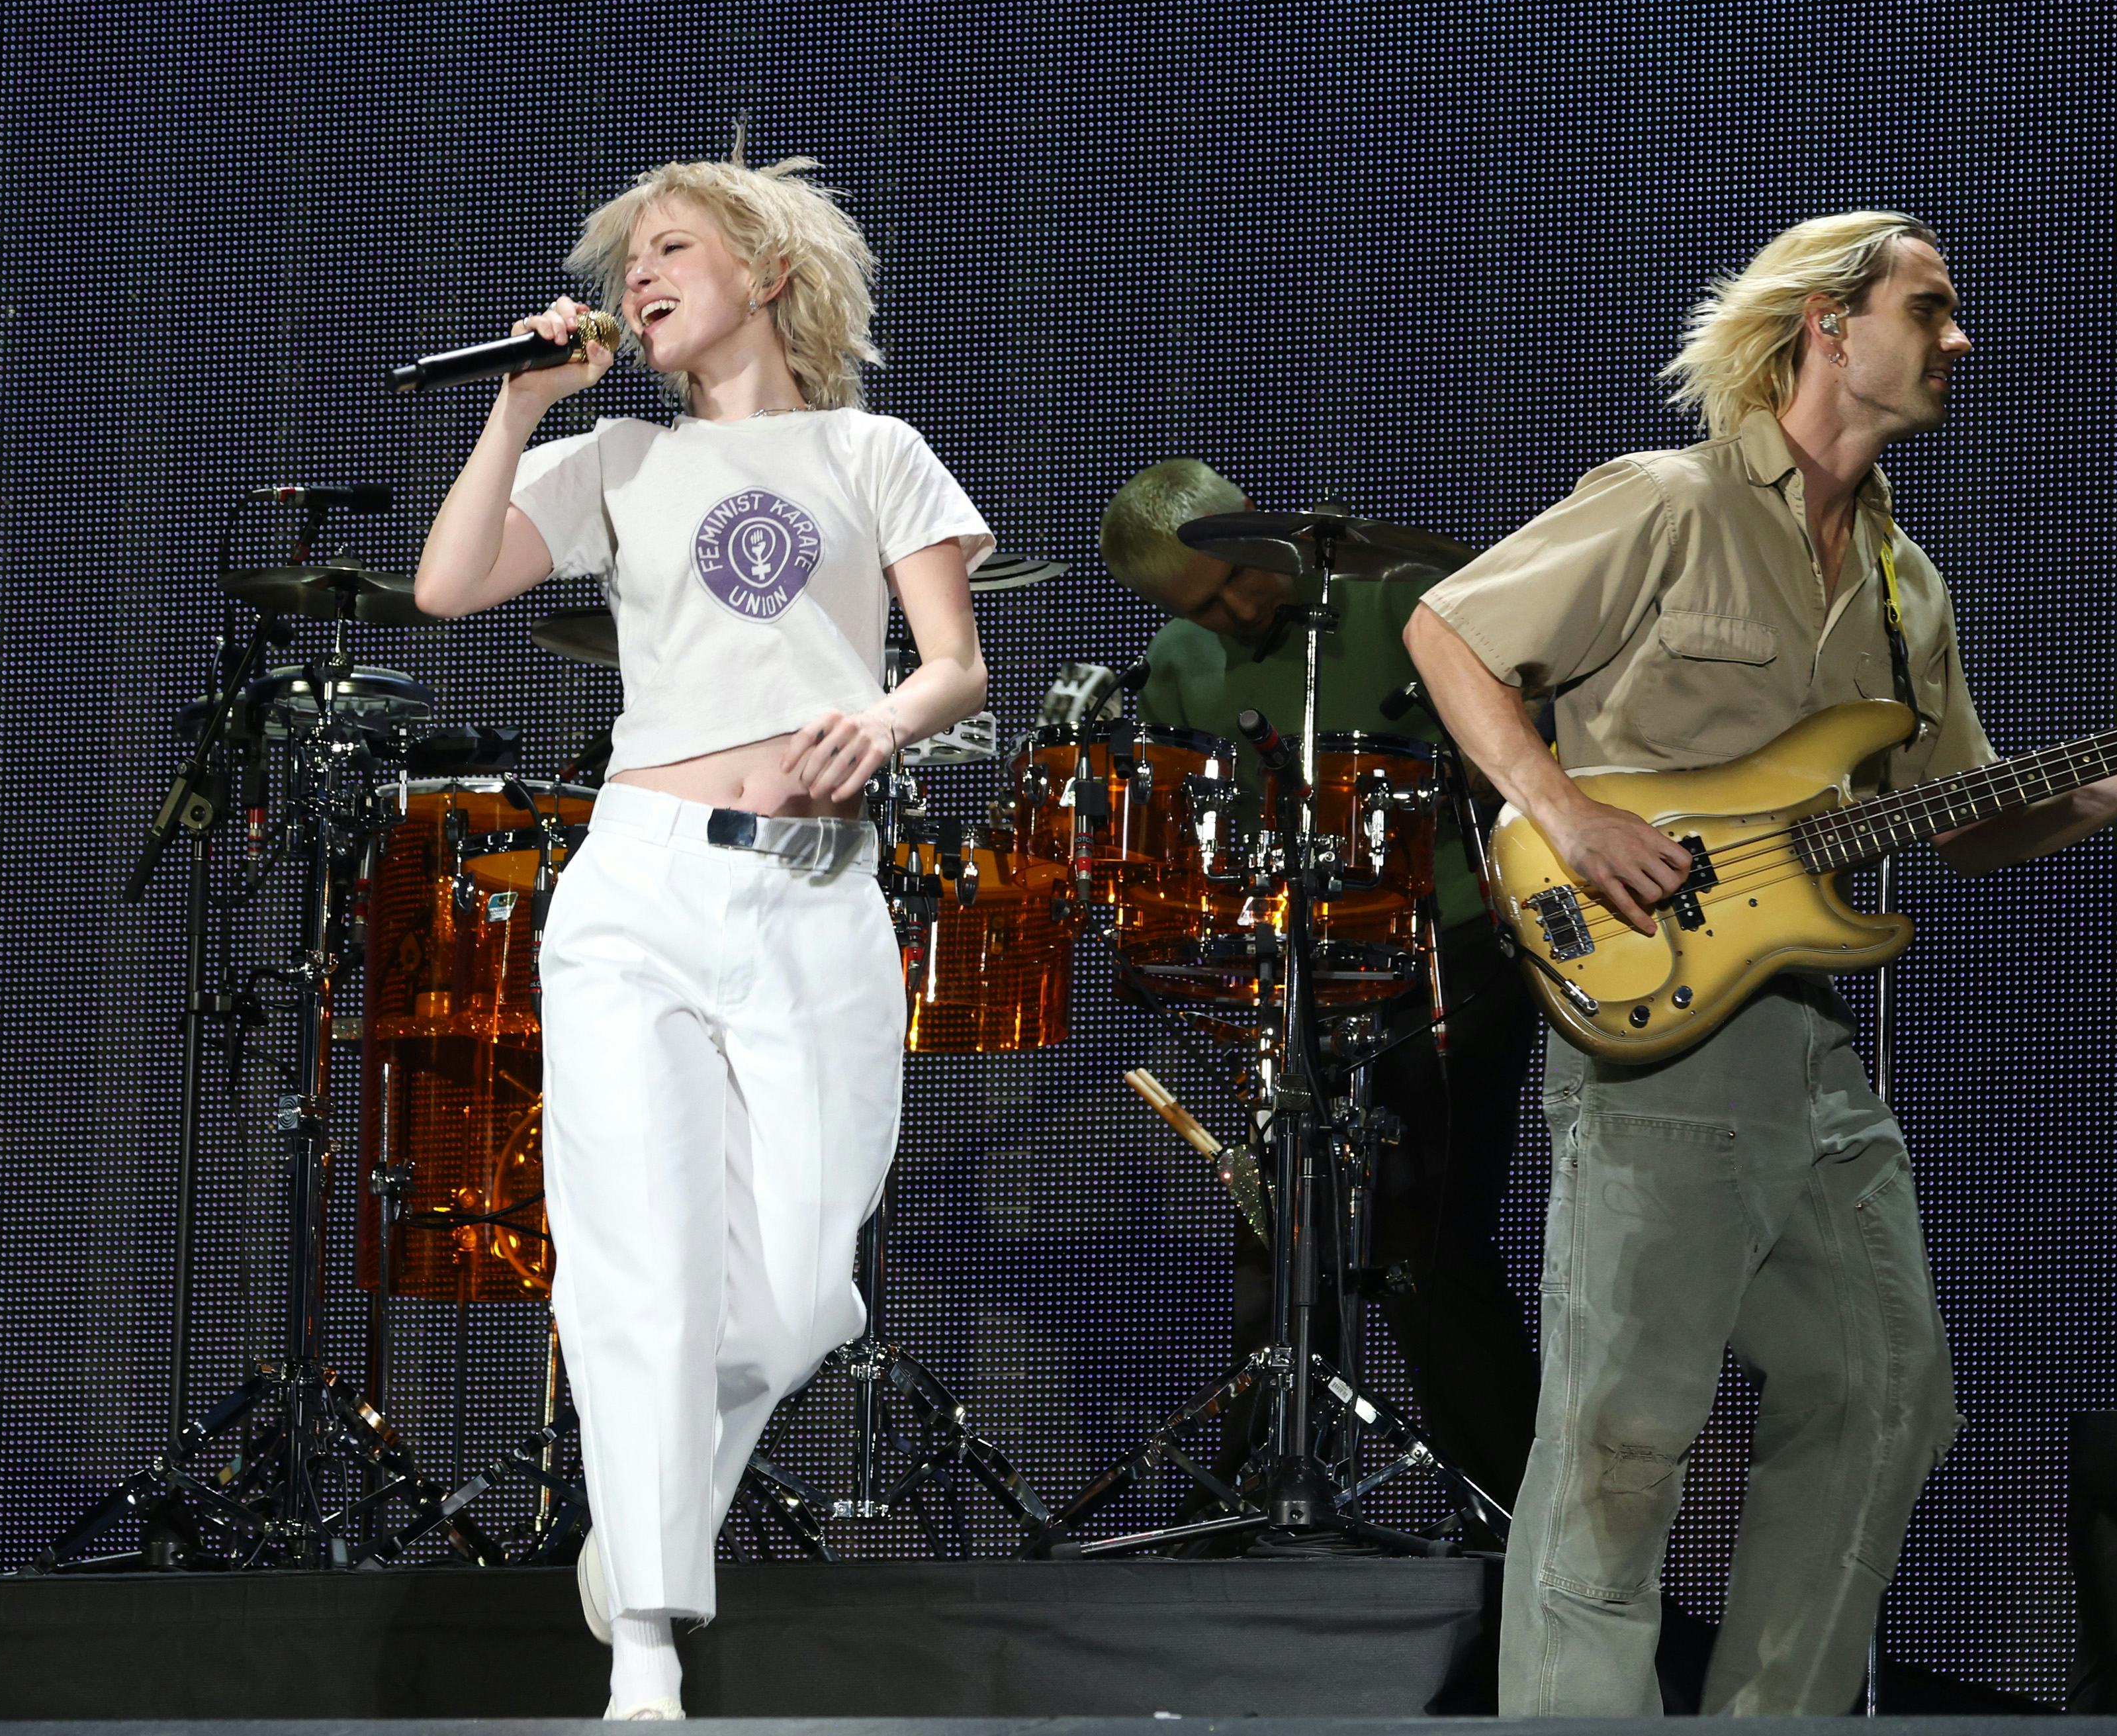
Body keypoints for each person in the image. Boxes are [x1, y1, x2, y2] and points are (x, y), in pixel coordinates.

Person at [1404, 212, 2117, 1715]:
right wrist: (1564, 814)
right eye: (1930, 308)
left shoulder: (1907, 586)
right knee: (1621, 1434)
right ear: (1826, 324)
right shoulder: (1667, 500)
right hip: (1654, 1033)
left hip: (1813, 1057)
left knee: (1889, 1395)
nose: (1958, 341)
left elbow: (1977, 820)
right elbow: (1447, 631)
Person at [414, 153, 992, 1720]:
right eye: (629, 259)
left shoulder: (876, 449)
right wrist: (519, 406)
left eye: (675, 248)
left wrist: (879, 719)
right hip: (641, 888)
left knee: (806, 1288)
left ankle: (640, 1510)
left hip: (814, 891)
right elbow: (449, 583)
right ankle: (649, 1643)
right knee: (640, 1265)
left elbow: (955, 664)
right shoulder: (611, 456)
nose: (641, 276)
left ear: (771, 273)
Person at [1101, 461, 1541, 1512]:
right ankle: (1267, 1492)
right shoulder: (1176, 658)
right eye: (1196, 609)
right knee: (1286, 1227)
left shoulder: (1396, 595)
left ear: (1257, 527)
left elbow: (1520, 732)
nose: (1230, 616)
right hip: (1306, 970)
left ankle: (1512, 1510)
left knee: (1426, 1235)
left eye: (1230, 586)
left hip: (1453, 943)